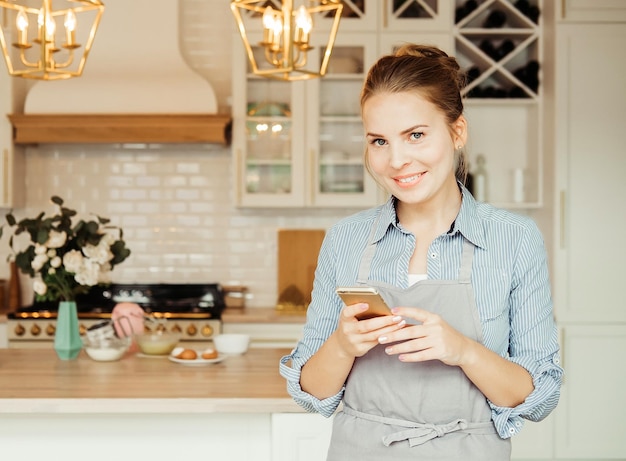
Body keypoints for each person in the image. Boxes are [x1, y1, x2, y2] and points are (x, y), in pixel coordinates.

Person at [279, 43, 563, 460]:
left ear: (457, 131)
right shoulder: (346, 239)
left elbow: (538, 397)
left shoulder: (514, 239)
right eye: (379, 141)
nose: (397, 160)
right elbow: (311, 394)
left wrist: (463, 350)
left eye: (416, 135)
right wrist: (342, 345)